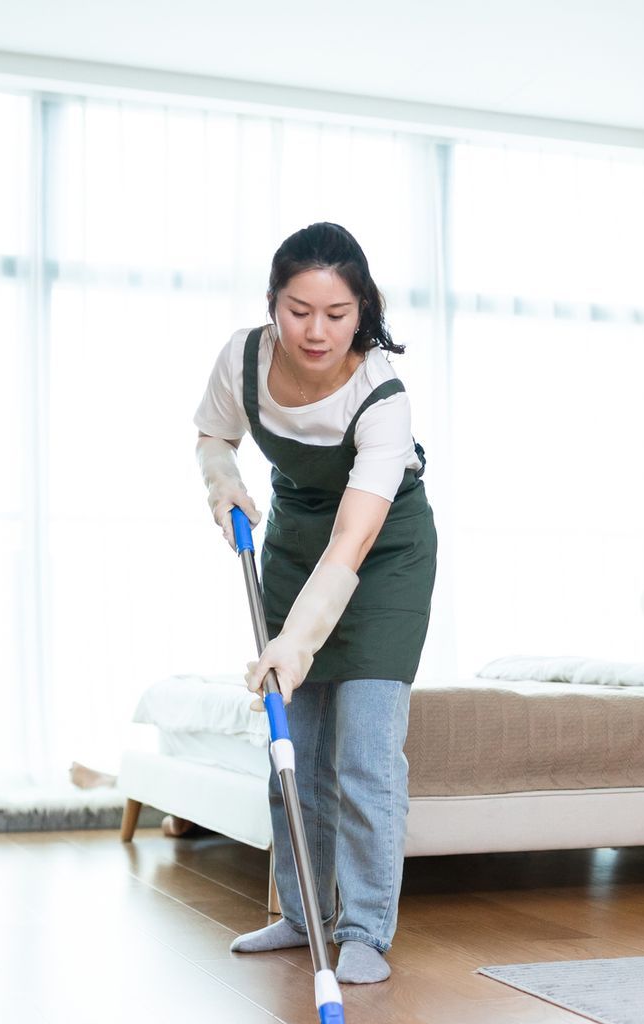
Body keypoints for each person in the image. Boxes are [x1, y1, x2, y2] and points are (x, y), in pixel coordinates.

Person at [192, 221, 436, 984]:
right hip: (296, 545)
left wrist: (294, 645)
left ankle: (364, 928)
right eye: (300, 311)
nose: (317, 331)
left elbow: (354, 543)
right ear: (273, 304)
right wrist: (220, 479)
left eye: (337, 314)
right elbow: (212, 435)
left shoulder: (382, 396)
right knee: (289, 747)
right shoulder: (243, 358)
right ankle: (302, 918)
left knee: (363, 752)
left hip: (382, 556)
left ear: (363, 309)